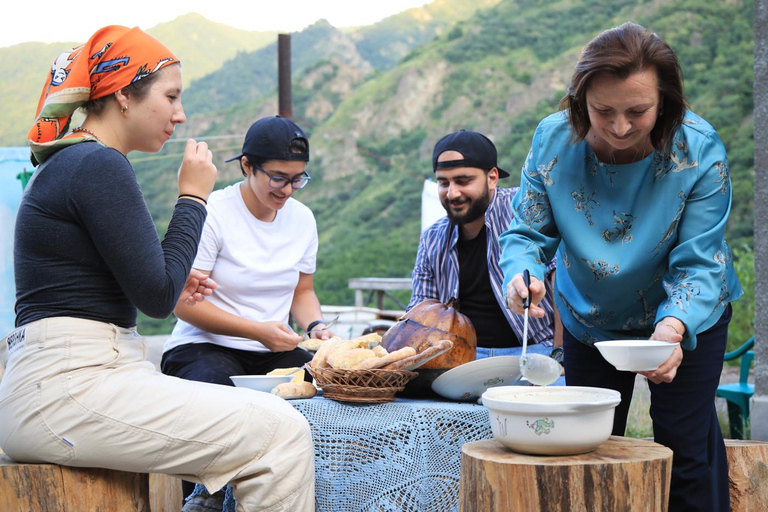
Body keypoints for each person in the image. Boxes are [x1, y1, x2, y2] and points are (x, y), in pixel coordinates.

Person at [0, 26, 314, 512]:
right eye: (170, 96)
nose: (180, 114)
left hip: (66, 378)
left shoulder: (77, 162)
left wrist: (170, 268)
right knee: (281, 431)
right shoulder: (98, 164)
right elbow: (157, 297)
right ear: (124, 94)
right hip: (70, 385)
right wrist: (193, 196)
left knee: (253, 438)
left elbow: (142, 277)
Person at [499, 22, 742, 512]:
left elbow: (699, 258)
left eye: (638, 111)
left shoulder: (697, 150)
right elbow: (528, 233)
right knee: (589, 453)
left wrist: (672, 328)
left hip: (684, 318)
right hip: (592, 319)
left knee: (684, 454)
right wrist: (520, 272)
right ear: (578, 101)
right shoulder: (553, 140)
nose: (620, 128)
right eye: (602, 111)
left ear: (665, 102)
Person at [161, 115, 333, 505]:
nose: (288, 189)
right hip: (204, 346)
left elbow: (302, 291)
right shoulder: (216, 212)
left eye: (298, 178)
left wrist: (317, 325)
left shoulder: (302, 219)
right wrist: (256, 330)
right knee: (217, 396)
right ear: (246, 166)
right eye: (277, 177)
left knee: (328, 391)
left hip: (272, 347)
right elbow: (185, 304)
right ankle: (206, 496)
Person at [409, 129, 562, 361]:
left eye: (463, 181)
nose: (452, 193)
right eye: (443, 183)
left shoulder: (523, 210)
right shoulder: (433, 238)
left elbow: (561, 277)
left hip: (536, 350)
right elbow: (421, 311)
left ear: (492, 177)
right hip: (460, 357)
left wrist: (561, 354)